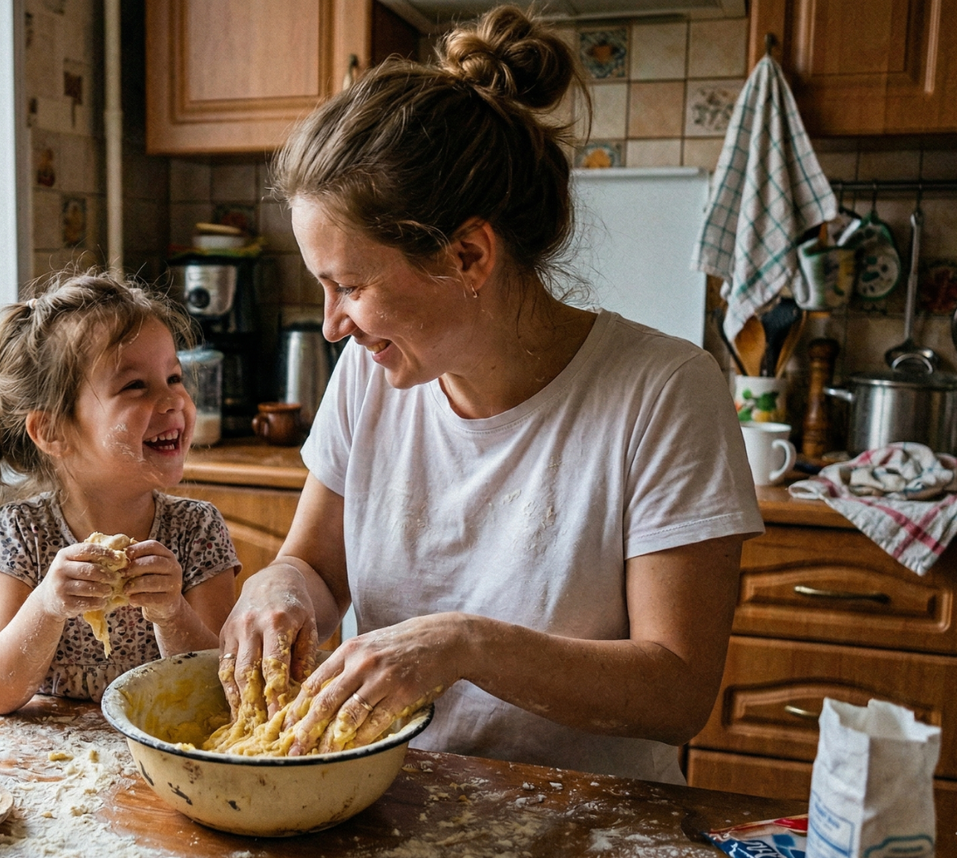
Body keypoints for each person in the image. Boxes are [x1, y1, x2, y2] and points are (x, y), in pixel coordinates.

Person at [217, 6, 763, 783]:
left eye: (351, 286)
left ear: (469, 255)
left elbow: (677, 692)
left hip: (591, 817)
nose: (333, 325)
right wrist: (278, 584)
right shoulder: (372, 375)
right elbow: (317, 569)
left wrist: (465, 646)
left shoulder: (663, 394)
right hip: (395, 797)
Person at [0, 271, 238, 715]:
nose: (173, 401)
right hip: (55, 755)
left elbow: (223, 688)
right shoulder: (21, 534)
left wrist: (173, 614)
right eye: (135, 385)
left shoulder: (197, 529)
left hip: (165, 746)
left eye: (173, 377)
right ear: (52, 431)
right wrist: (48, 604)